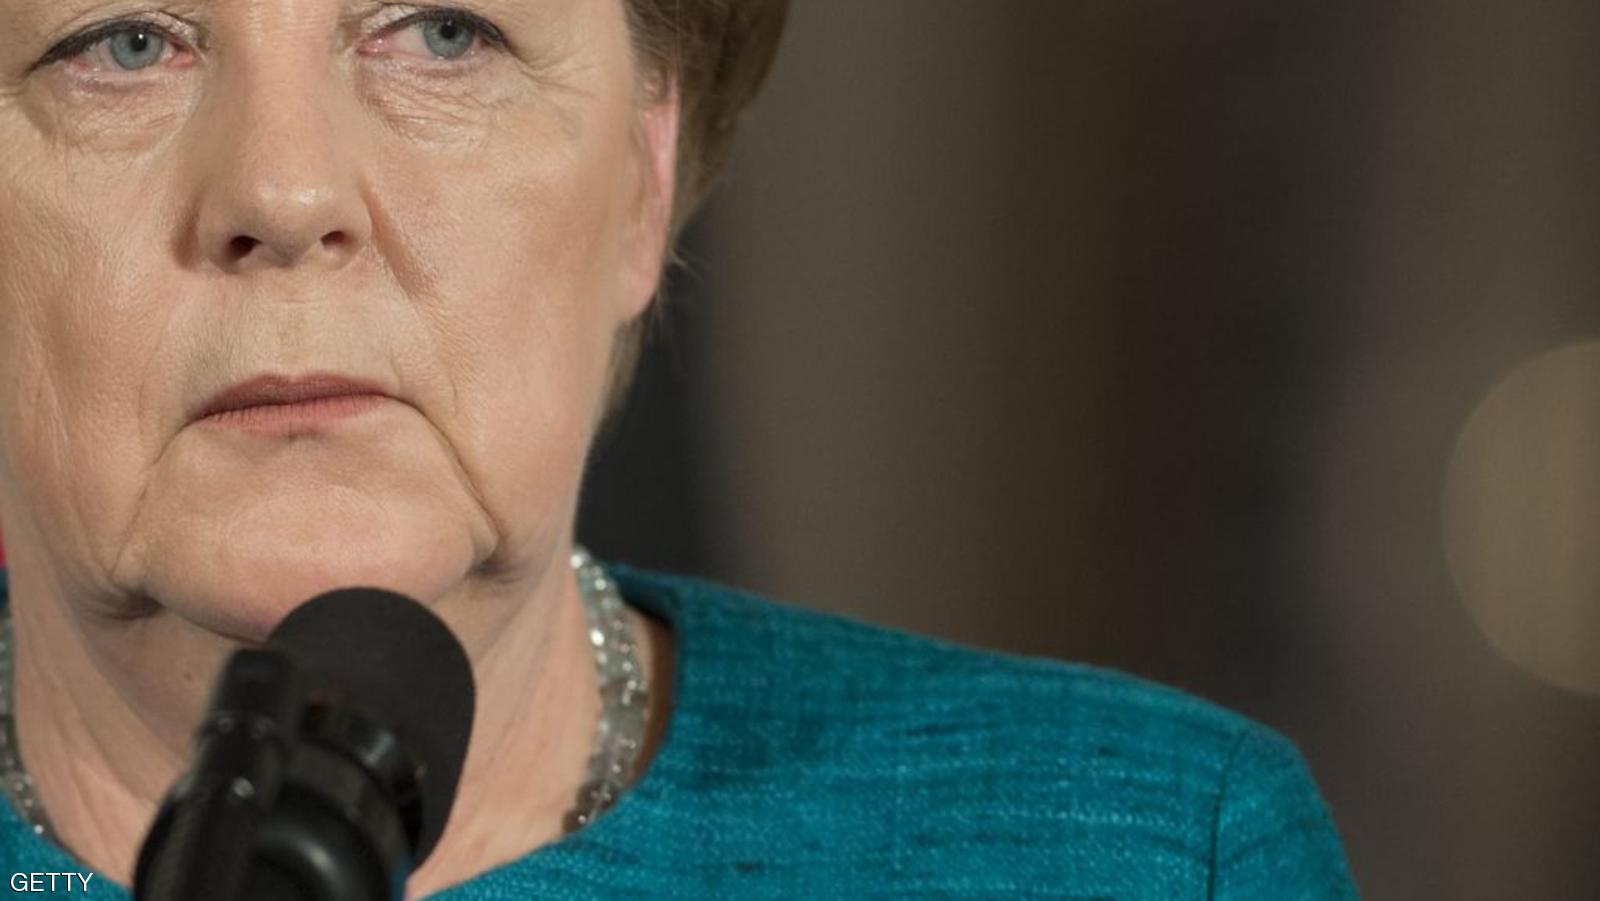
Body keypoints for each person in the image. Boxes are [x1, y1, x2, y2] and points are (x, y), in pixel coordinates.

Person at [0, 0, 1356, 896]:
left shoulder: (1150, 855)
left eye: (444, 33)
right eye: (121, 43)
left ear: (644, 183)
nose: (286, 192)